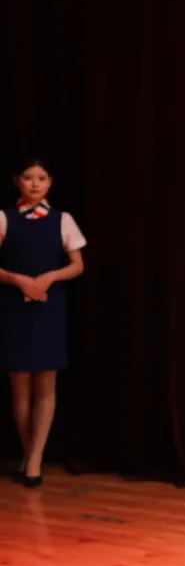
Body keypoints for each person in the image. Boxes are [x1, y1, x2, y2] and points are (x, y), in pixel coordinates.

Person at [0, 161, 86, 487]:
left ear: (50, 182)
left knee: (46, 382)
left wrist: (51, 276)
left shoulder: (63, 220)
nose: (35, 184)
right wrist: (17, 280)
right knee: (20, 383)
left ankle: (35, 459)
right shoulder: (4, 218)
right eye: (28, 178)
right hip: (13, 307)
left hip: (48, 308)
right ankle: (28, 452)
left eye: (41, 178)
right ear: (17, 181)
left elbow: (77, 265)